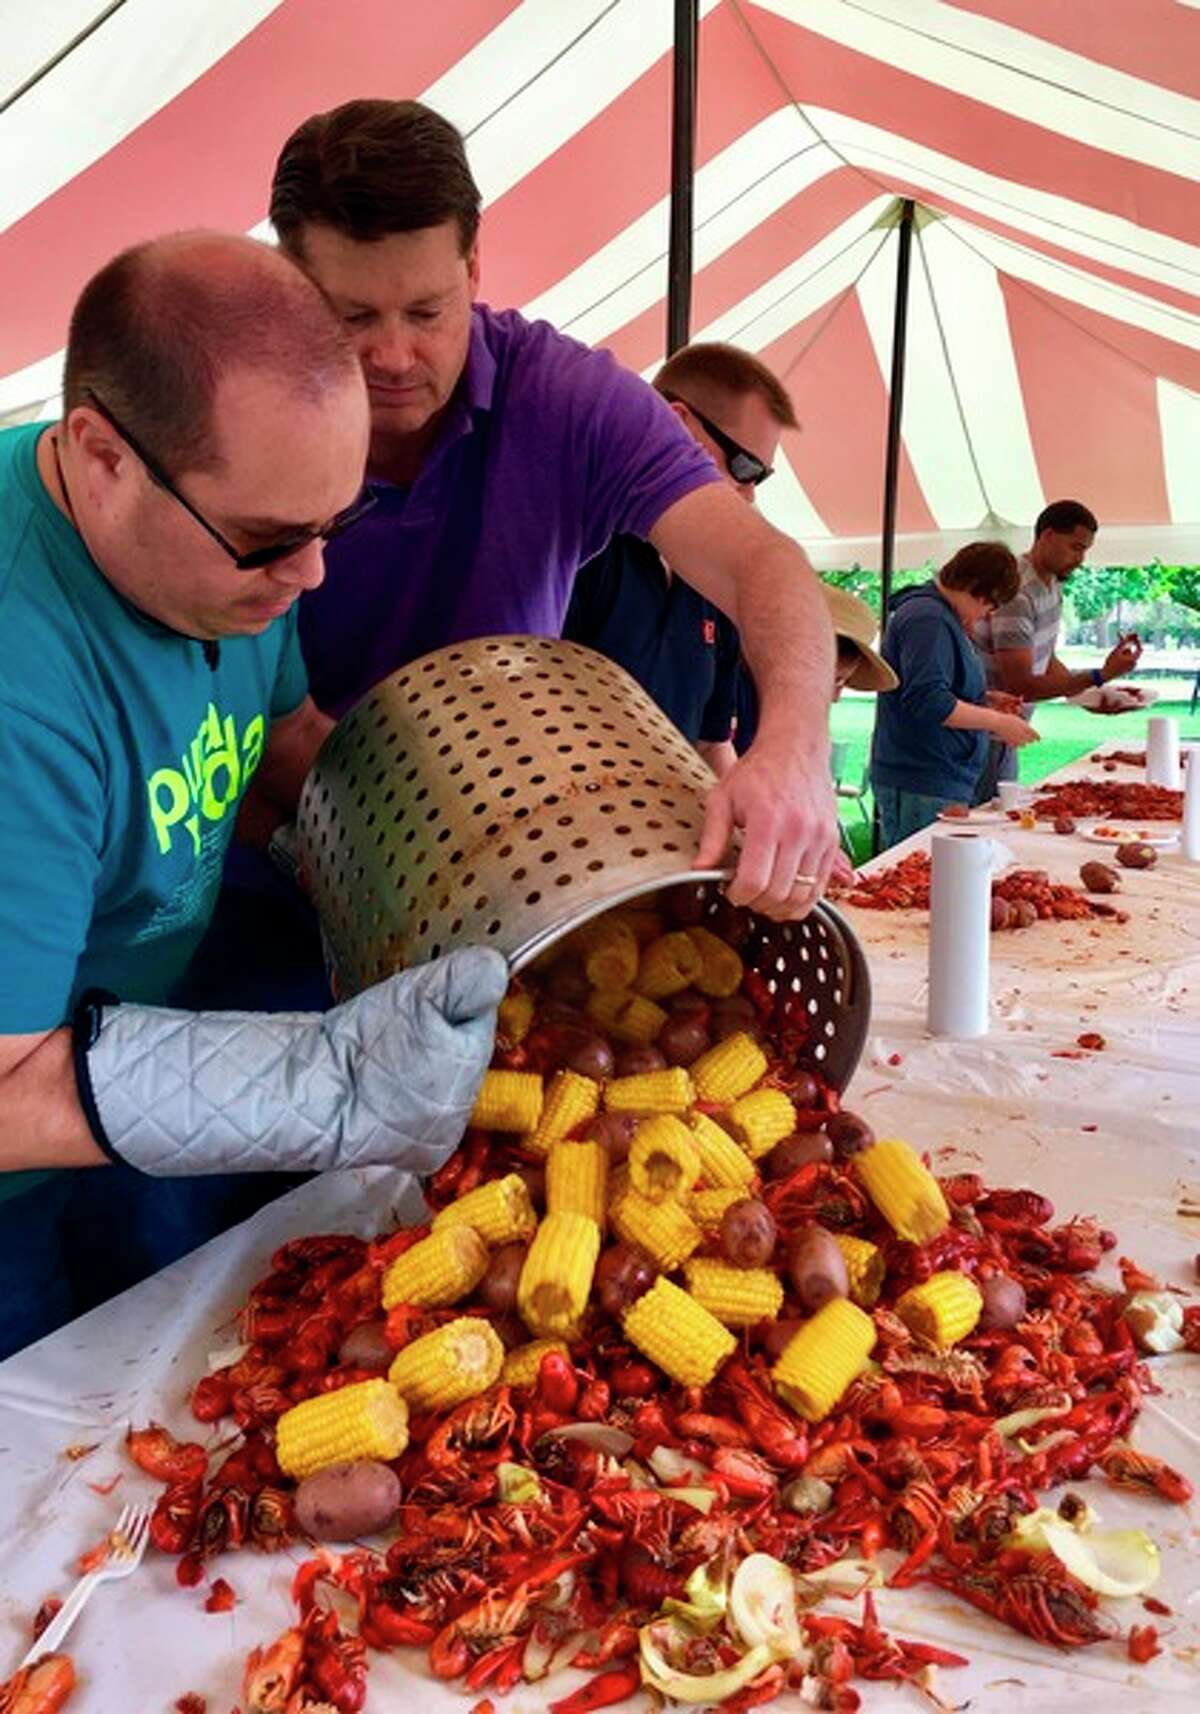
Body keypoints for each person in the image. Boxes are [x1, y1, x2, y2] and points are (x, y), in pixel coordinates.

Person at [0, 233, 507, 1358]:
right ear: (101, 454)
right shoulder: (18, 696)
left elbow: (288, 745)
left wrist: (461, 897)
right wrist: (313, 1082)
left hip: (122, 1059)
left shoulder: (224, 569)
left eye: (334, 524)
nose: (310, 575)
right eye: (269, 540)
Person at [267, 98, 838, 914]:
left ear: (473, 269)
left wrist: (794, 746)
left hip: (495, 877)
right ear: (292, 287)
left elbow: (762, 562)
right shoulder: (242, 406)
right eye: (352, 317)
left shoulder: (566, 399)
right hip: (264, 864)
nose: (393, 356)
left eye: (427, 312)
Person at [563, 342, 793, 777]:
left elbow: (711, 744)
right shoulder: (577, 549)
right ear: (678, 424)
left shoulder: (716, 584)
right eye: (745, 467)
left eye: (760, 478)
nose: (749, 493)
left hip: (666, 816)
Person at [870, 543, 1039, 848]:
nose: (988, 614)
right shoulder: (928, 619)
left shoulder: (941, 615)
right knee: (923, 868)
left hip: (937, 776)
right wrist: (997, 722)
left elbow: (936, 685)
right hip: (921, 778)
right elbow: (928, 700)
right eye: (990, 604)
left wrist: (984, 698)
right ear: (975, 588)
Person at [973, 500, 1142, 802]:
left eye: (1085, 550)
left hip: (1005, 733)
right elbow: (1020, 684)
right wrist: (1100, 675)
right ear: (1047, 536)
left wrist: (1090, 696)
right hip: (982, 735)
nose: (1080, 559)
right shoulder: (1018, 592)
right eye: (1075, 547)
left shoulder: (1051, 584)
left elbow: (1044, 657)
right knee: (983, 821)